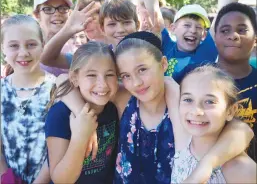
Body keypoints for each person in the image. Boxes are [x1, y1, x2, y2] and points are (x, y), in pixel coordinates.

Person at [58, 31, 253, 184]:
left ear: (163, 64)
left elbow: (241, 130)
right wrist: (83, 115)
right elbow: (62, 80)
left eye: (142, 70)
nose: (136, 83)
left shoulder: (182, 103)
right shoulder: (124, 99)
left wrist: (207, 165)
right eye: (125, 75)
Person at [177, 2, 257, 162]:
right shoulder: (192, 74)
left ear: (255, 38)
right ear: (215, 37)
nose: (233, 35)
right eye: (225, 30)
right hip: (192, 166)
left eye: (242, 30)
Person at [45, 41, 119, 183]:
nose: (102, 84)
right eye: (91, 75)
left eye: (109, 74)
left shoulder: (113, 109)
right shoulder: (60, 114)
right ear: (74, 78)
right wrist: (80, 136)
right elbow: (61, 180)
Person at [168, 65, 256, 183]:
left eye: (209, 101)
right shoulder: (183, 139)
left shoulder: (242, 169)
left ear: (230, 111)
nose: (196, 111)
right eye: (188, 100)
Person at [0, 14, 56, 183]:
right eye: (13, 46)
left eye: (31, 44)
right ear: (3, 48)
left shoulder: (57, 89)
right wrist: (6, 178)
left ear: (43, 45)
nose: (23, 52)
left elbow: (58, 147)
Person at [142, 0, 242, 81]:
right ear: (173, 28)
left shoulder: (205, 51)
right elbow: (154, 10)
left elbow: (223, 13)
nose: (193, 30)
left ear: (204, 35)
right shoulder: (167, 45)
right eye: (187, 25)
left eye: (198, 27)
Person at [33, 0, 73, 76]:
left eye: (63, 8)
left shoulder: (77, 46)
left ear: (69, 13)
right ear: (37, 14)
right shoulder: (29, 47)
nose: (57, 13)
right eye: (48, 9)